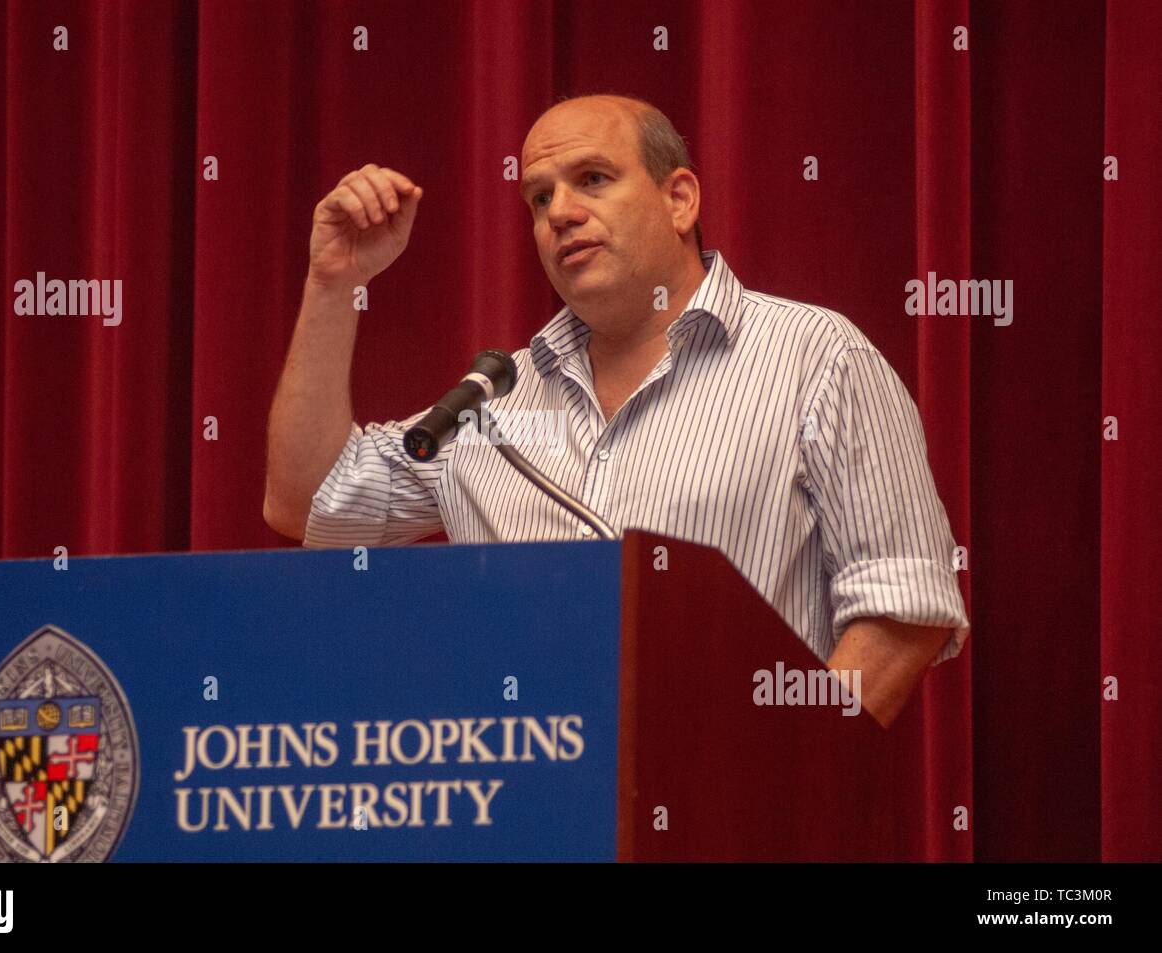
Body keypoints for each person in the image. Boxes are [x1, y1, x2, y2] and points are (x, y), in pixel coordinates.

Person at [263, 94, 969, 727]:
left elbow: (901, 606)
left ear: (680, 199)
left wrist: (775, 781)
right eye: (538, 199)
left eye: (592, 180)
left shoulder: (815, 358)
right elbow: (308, 500)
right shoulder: (495, 404)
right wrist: (333, 282)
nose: (560, 212)